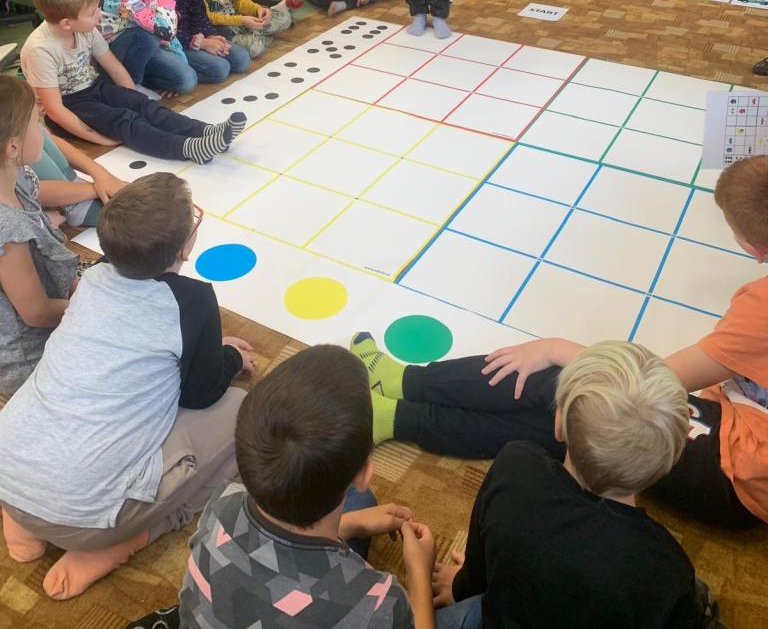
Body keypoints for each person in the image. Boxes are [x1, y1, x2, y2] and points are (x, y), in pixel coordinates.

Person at [352, 156, 768, 532]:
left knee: (577, 403)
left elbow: (649, 380)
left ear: (752, 247)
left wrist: (555, 347)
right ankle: (399, 403)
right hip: (743, 430)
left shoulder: (760, 309)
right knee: (563, 414)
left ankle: (400, 396)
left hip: (739, 470)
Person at [0, 173, 254, 600]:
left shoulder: (92, 276)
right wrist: (225, 356)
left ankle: (22, 522)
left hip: (8, 474)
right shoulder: (193, 300)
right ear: (184, 247)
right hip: (87, 520)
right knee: (242, 414)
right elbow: (201, 393)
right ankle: (122, 542)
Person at [430, 341, 706, 629]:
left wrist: (461, 586)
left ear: (558, 422)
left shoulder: (515, 467)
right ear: (670, 461)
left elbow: (479, 557)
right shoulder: (668, 567)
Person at [180, 345, 438, 629]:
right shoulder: (381, 604)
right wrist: (419, 574)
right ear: (365, 472)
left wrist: (352, 524)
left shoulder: (221, 503)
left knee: (361, 502)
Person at [21, 0, 246, 164]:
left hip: (94, 87)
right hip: (70, 104)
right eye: (92, 13)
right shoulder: (40, 50)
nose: (99, 15)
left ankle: (206, 131)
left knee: (143, 105)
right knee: (125, 121)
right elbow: (55, 111)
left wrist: (133, 98)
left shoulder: (85, 29)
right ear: (66, 23)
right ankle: (189, 149)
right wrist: (99, 139)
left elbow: (114, 67)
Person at [0, 77, 77, 397]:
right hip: (32, 359)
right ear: (12, 147)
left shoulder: (16, 177)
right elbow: (37, 312)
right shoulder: (7, 228)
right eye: (36, 121)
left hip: (57, 310)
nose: (42, 127)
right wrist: (92, 307)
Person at [33, 129, 127, 228]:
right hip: (53, 202)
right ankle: (73, 205)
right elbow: (31, 188)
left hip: (74, 186)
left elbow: (47, 137)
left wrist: (102, 175)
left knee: (35, 133)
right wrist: (96, 190)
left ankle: (75, 195)